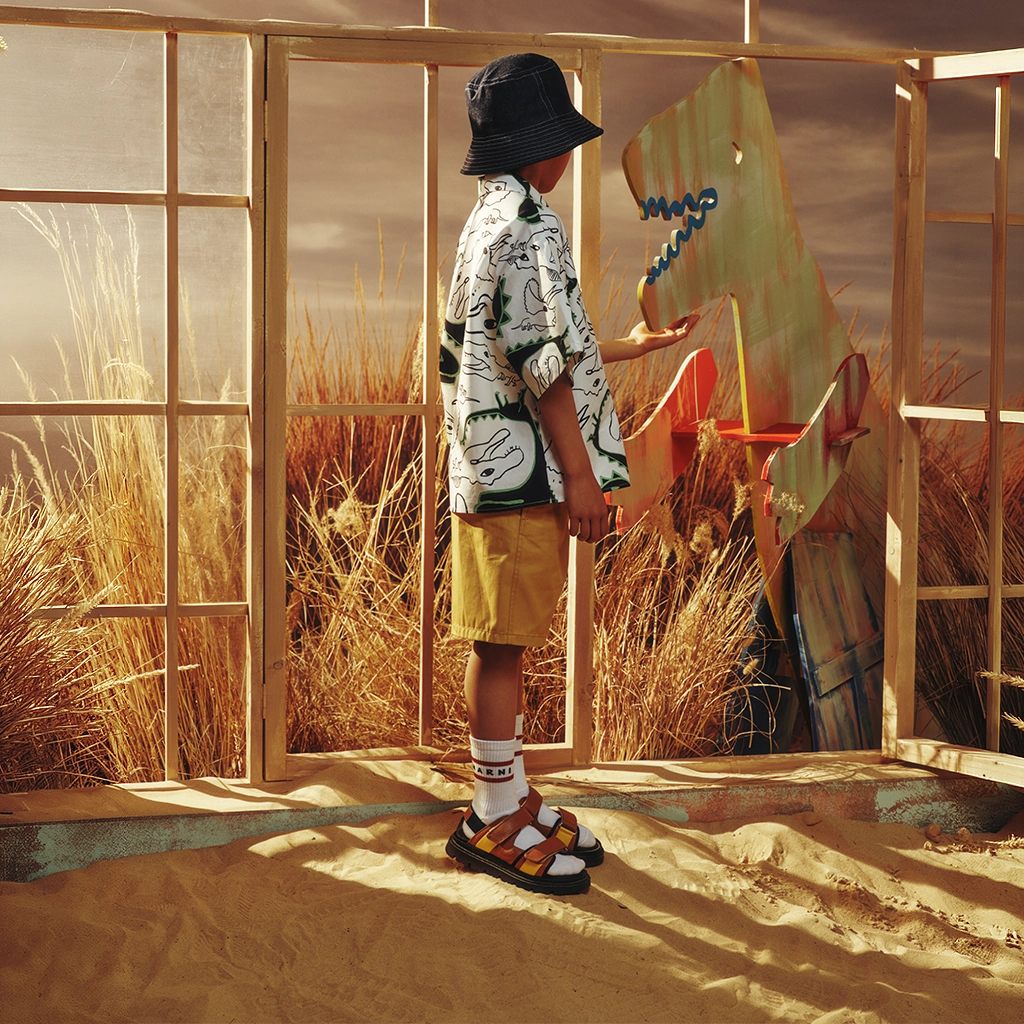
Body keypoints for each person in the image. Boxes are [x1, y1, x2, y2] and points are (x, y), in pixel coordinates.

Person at [441, 53, 698, 895]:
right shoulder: (531, 224)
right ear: (540, 146)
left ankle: (508, 796)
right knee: (503, 643)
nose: (569, 157)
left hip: (488, 466)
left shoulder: (488, 218)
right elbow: (544, 367)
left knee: (501, 636)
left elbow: (548, 339)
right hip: (523, 473)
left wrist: (640, 344)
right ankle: (488, 814)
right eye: (563, 142)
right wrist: (582, 478)